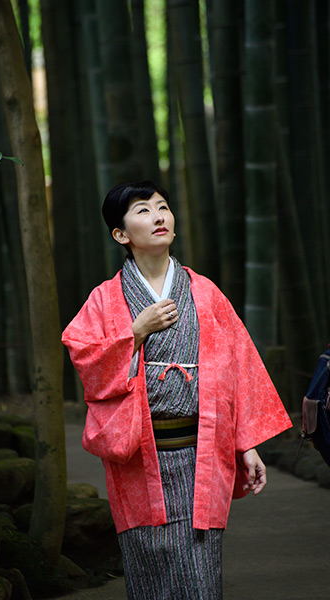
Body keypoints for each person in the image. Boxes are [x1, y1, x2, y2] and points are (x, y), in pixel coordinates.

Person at [61, 181, 292, 600]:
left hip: (201, 454)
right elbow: (83, 355)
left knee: (199, 570)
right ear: (121, 234)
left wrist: (246, 445)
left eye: (162, 207)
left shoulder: (205, 292)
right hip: (138, 457)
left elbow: (240, 367)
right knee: (148, 566)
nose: (158, 216)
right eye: (143, 210)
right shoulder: (105, 299)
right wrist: (134, 332)